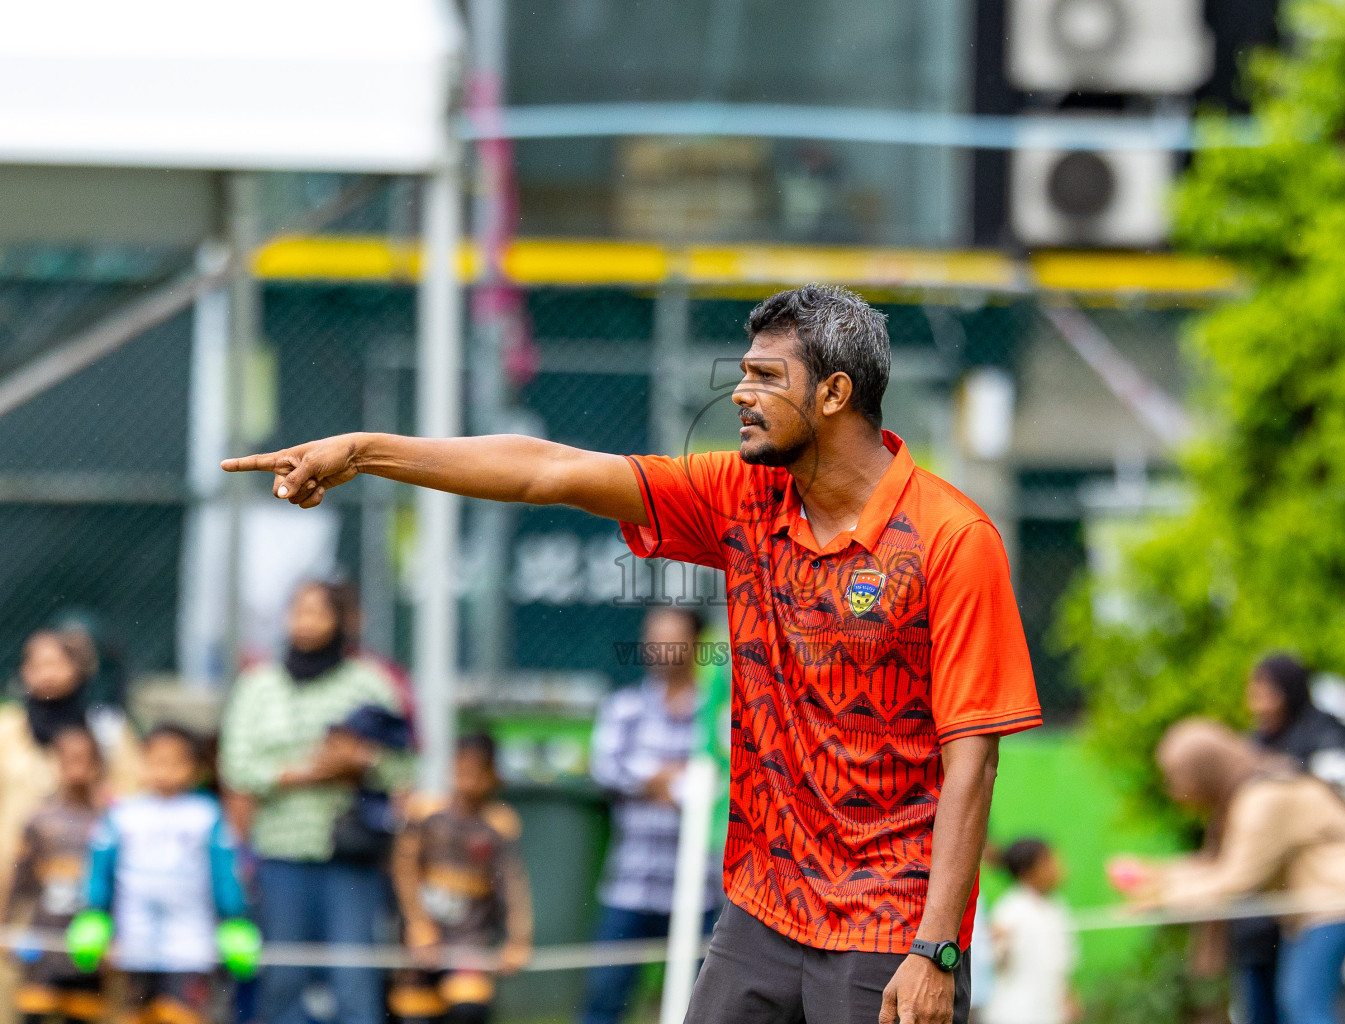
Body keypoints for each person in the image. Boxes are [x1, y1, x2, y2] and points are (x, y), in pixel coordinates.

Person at [224, 284, 1042, 1024]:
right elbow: (549, 471)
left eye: (764, 377)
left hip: (887, 927)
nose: (742, 396)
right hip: (761, 910)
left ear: (833, 393)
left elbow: (973, 763)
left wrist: (936, 949)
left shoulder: (950, 540)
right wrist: (365, 450)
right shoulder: (743, 496)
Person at [1114, 719, 1345, 1024]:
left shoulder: (1262, 800)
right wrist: (1156, 876)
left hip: (1342, 898)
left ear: (1204, 768)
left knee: (1305, 1006)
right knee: (1299, 1005)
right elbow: (1217, 865)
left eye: (1178, 777)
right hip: (1322, 904)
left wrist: (1163, 896)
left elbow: (1237, 879)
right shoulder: (1247, 791)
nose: (1175, 790)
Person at [218, 581, 413, 1024]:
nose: (306, 622)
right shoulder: (258, 685)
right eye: (298, 611)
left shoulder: (371, 682)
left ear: (341, 620)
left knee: (354, 980)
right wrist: (313, 771)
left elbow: (403, 765)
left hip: (351, 855)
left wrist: (361, 760)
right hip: (281, 853)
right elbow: (238, 768)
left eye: (319, 612)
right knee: (283, 978)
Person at [580, 608, 722, 1024]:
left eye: (670, 638)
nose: (658, 648)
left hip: (702, 887)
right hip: (632, 882)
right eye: (652, 637)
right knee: (605, 998)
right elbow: (606, 768)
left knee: (700, 1003)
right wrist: (674, 779)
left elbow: (718, 778)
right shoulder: (624, 707)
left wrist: (650, 776)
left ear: (696, 645)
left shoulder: (715, 712)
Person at [70, 725, 259, 1024]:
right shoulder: (123, 814)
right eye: (157, 761)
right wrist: (94, 913)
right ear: (142, 763)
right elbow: (100, 869)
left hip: (191, 944)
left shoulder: (206, 814)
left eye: (175, 762)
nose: (165, 771)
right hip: (133, 942)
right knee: (135, 1014)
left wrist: (234, 918)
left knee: (184, 1015)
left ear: (194, 768)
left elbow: (224, 873)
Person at [0, 630, 142, 1024]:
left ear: (78, 669)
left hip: (87, 881)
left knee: (91, 992)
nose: (44, 673)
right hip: (18, 880)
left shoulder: (107, 730)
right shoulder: (8, 729)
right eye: (35, 664)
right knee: (19, 985)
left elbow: (131, 799)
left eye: (55, 662)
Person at [1234, 654, 1345, 1024]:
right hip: (1263, 906)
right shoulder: (1252, 745)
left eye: (1267, 691)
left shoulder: (1326, 737)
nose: (1258, 702)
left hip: (1321, 898)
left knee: (1303, 1004)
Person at [390, 735, 533, 1024]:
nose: (468, 778)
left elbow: (513, 887)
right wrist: (418, 924)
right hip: (422, 943)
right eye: (462, 767)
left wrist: (518, 939)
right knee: (413, 1015)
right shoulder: (426, 812)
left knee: (467, 1011)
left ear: (492, 774)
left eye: (477, 770)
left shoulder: (499, 823)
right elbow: (404, 872)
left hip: (469, 943)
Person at [3, 728, 106, 1024]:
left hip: (87, 950)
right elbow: (17, 880)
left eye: (84, 759)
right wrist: (7, 927)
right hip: (43, 940)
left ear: (97, 765)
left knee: (81, 1014)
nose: (76, 768)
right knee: (34, 1011)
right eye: (67, 760)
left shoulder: (106, 823)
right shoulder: (39, 820)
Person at [984, 839, 1075, 1024]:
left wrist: (1068, 997)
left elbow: (1059, 965)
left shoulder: (1057, 908)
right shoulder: (1010, 910)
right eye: (1048, 861)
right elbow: (992, 959)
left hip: (1049, 1015)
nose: (1057, 866)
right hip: (1014, 1015)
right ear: (1027, 871)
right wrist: (998, 943)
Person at [1247, 654, 1345, 772]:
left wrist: (1285, 766)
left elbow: (1329, 765)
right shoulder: (1259, 736)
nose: (1258, 707)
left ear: (1287, 693)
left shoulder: (1323, 728)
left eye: (1266, 695)